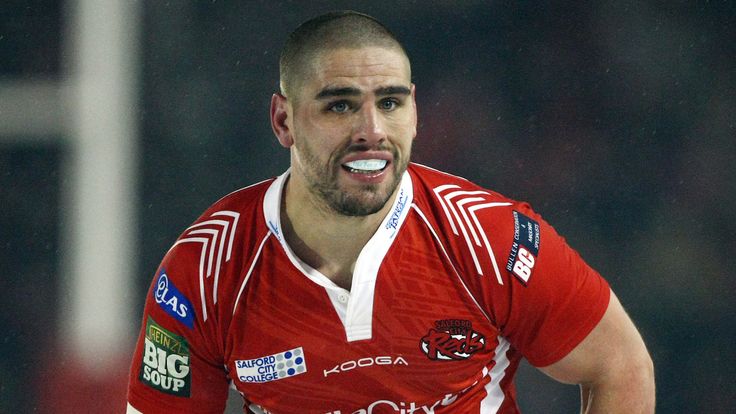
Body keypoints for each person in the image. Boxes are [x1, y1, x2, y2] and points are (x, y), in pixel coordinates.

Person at [126, 10, 655, 414]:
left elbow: (620, 365)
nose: (371, 132)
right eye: (340, 105)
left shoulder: (489, 237)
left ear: (416, 112)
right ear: (283, 120)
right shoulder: (207, 268)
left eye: (391, 102)